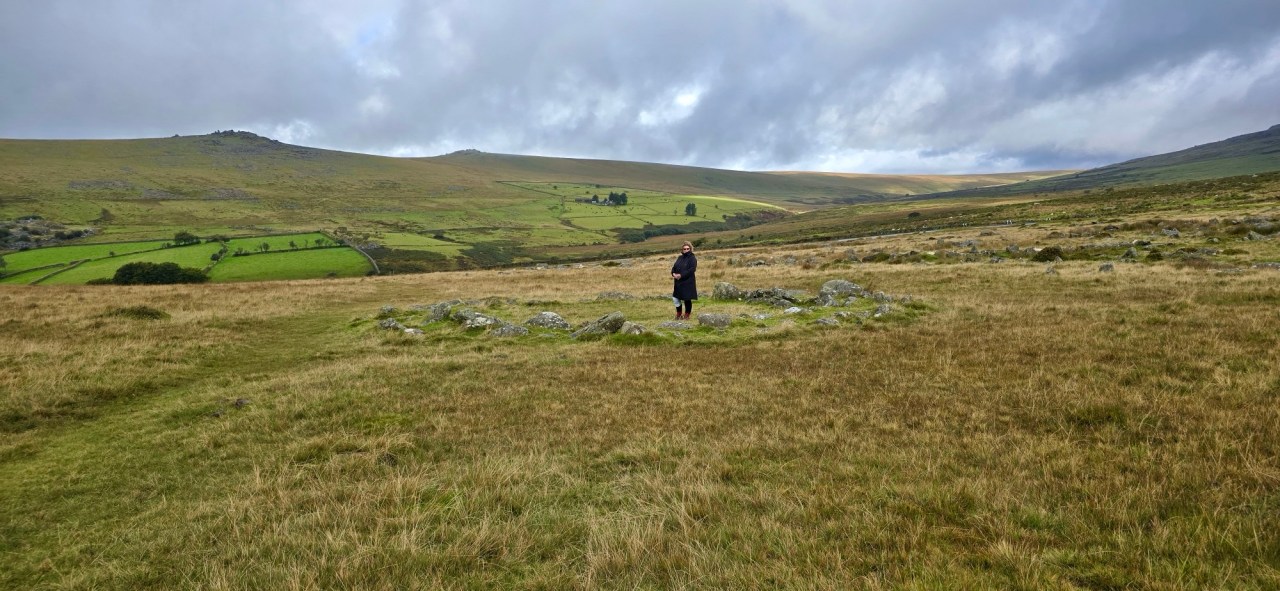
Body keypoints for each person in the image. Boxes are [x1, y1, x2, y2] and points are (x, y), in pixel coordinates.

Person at [671, 241, 698, 320]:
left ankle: (687, 315)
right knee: (675, 298)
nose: (686, 250)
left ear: (690, 249)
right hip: (678, 282)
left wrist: (681, 275)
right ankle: (679, 314)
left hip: (688, 282)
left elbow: (692, 269)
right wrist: (673, 274)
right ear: (682, 249)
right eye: (684, 249)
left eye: (688, 248)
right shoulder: (680, 258)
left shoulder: (692, 258)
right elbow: (674, 267)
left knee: (687, 299)